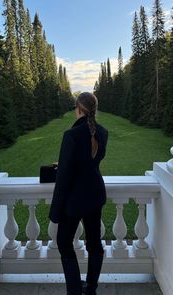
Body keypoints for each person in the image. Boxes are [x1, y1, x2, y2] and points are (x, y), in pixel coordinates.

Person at [49, 92, 109, 295]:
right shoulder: (102, 132)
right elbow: (89, 160)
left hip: (75, 200)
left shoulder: (71, 135)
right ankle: (91, 289)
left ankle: (74, 291)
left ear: (78, 109)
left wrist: (55, 212)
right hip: (94, 195)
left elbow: (64, 178)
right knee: (95, 244)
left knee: (64, 243)